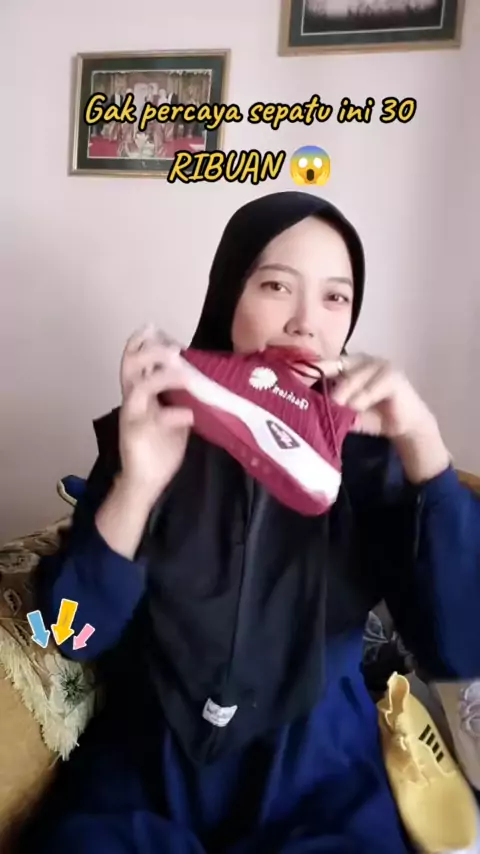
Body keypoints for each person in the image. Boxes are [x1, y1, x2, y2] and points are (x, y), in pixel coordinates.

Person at [24, 191, 480, 853]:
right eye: (275, 286)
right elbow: (69, 631)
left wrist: (422, 444)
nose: (305, 323)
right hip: (150, 774)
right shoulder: (151, 431)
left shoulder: (373, 462)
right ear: (227, 295)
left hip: (321, 778)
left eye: (335, 297)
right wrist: (138, 485)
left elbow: (462, 646)